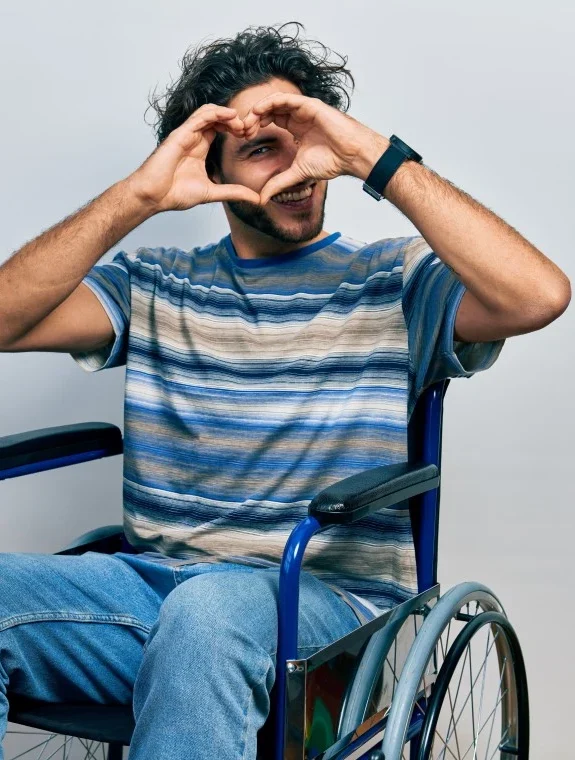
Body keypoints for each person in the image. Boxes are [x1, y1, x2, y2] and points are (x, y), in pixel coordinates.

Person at [0, 20, 570, 760]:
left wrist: (367, 152)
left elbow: (539, 295)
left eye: (305, 136)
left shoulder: (392, 279)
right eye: (262, 147)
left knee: (211, 612)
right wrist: (139, 196)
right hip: (151, 598)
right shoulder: (156, 284)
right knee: (188, 610)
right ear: (212, 171)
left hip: (328, 620)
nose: (296, 166)